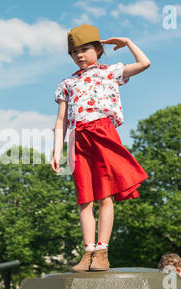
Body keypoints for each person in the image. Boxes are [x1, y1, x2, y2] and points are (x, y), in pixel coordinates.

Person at [51, 24, 150, 272]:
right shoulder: (67, 83)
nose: (80, 56)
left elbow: (145, 63)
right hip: (78, 139)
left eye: (85, 50)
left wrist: (127, 42)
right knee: (85, 198)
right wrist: (57, 151)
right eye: (74, 52)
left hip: (102, 132)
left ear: (98, 49)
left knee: (104, 196)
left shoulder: (110, 72)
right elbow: (61, 121)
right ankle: (88, 251)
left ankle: (102, 251)